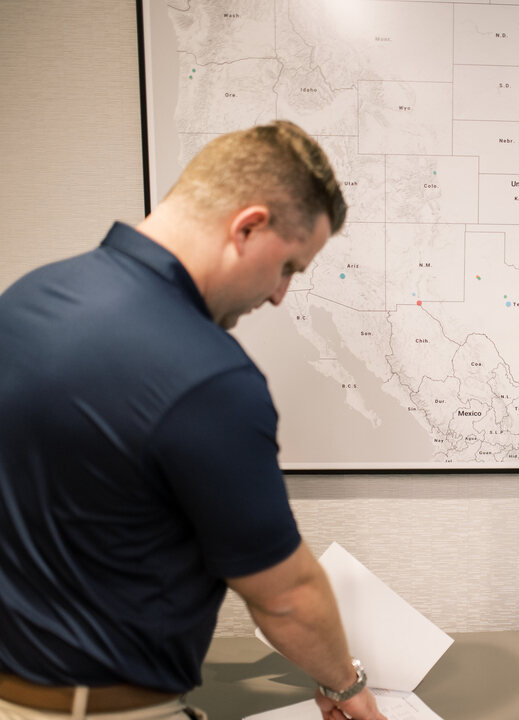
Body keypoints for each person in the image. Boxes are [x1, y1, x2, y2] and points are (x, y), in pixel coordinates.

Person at [0, 121, 386, 720]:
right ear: (248, 226)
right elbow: (285, 597)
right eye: (289, 267)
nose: (282, 294)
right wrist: (344, 686)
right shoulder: (209, 377)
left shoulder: (26, 299)